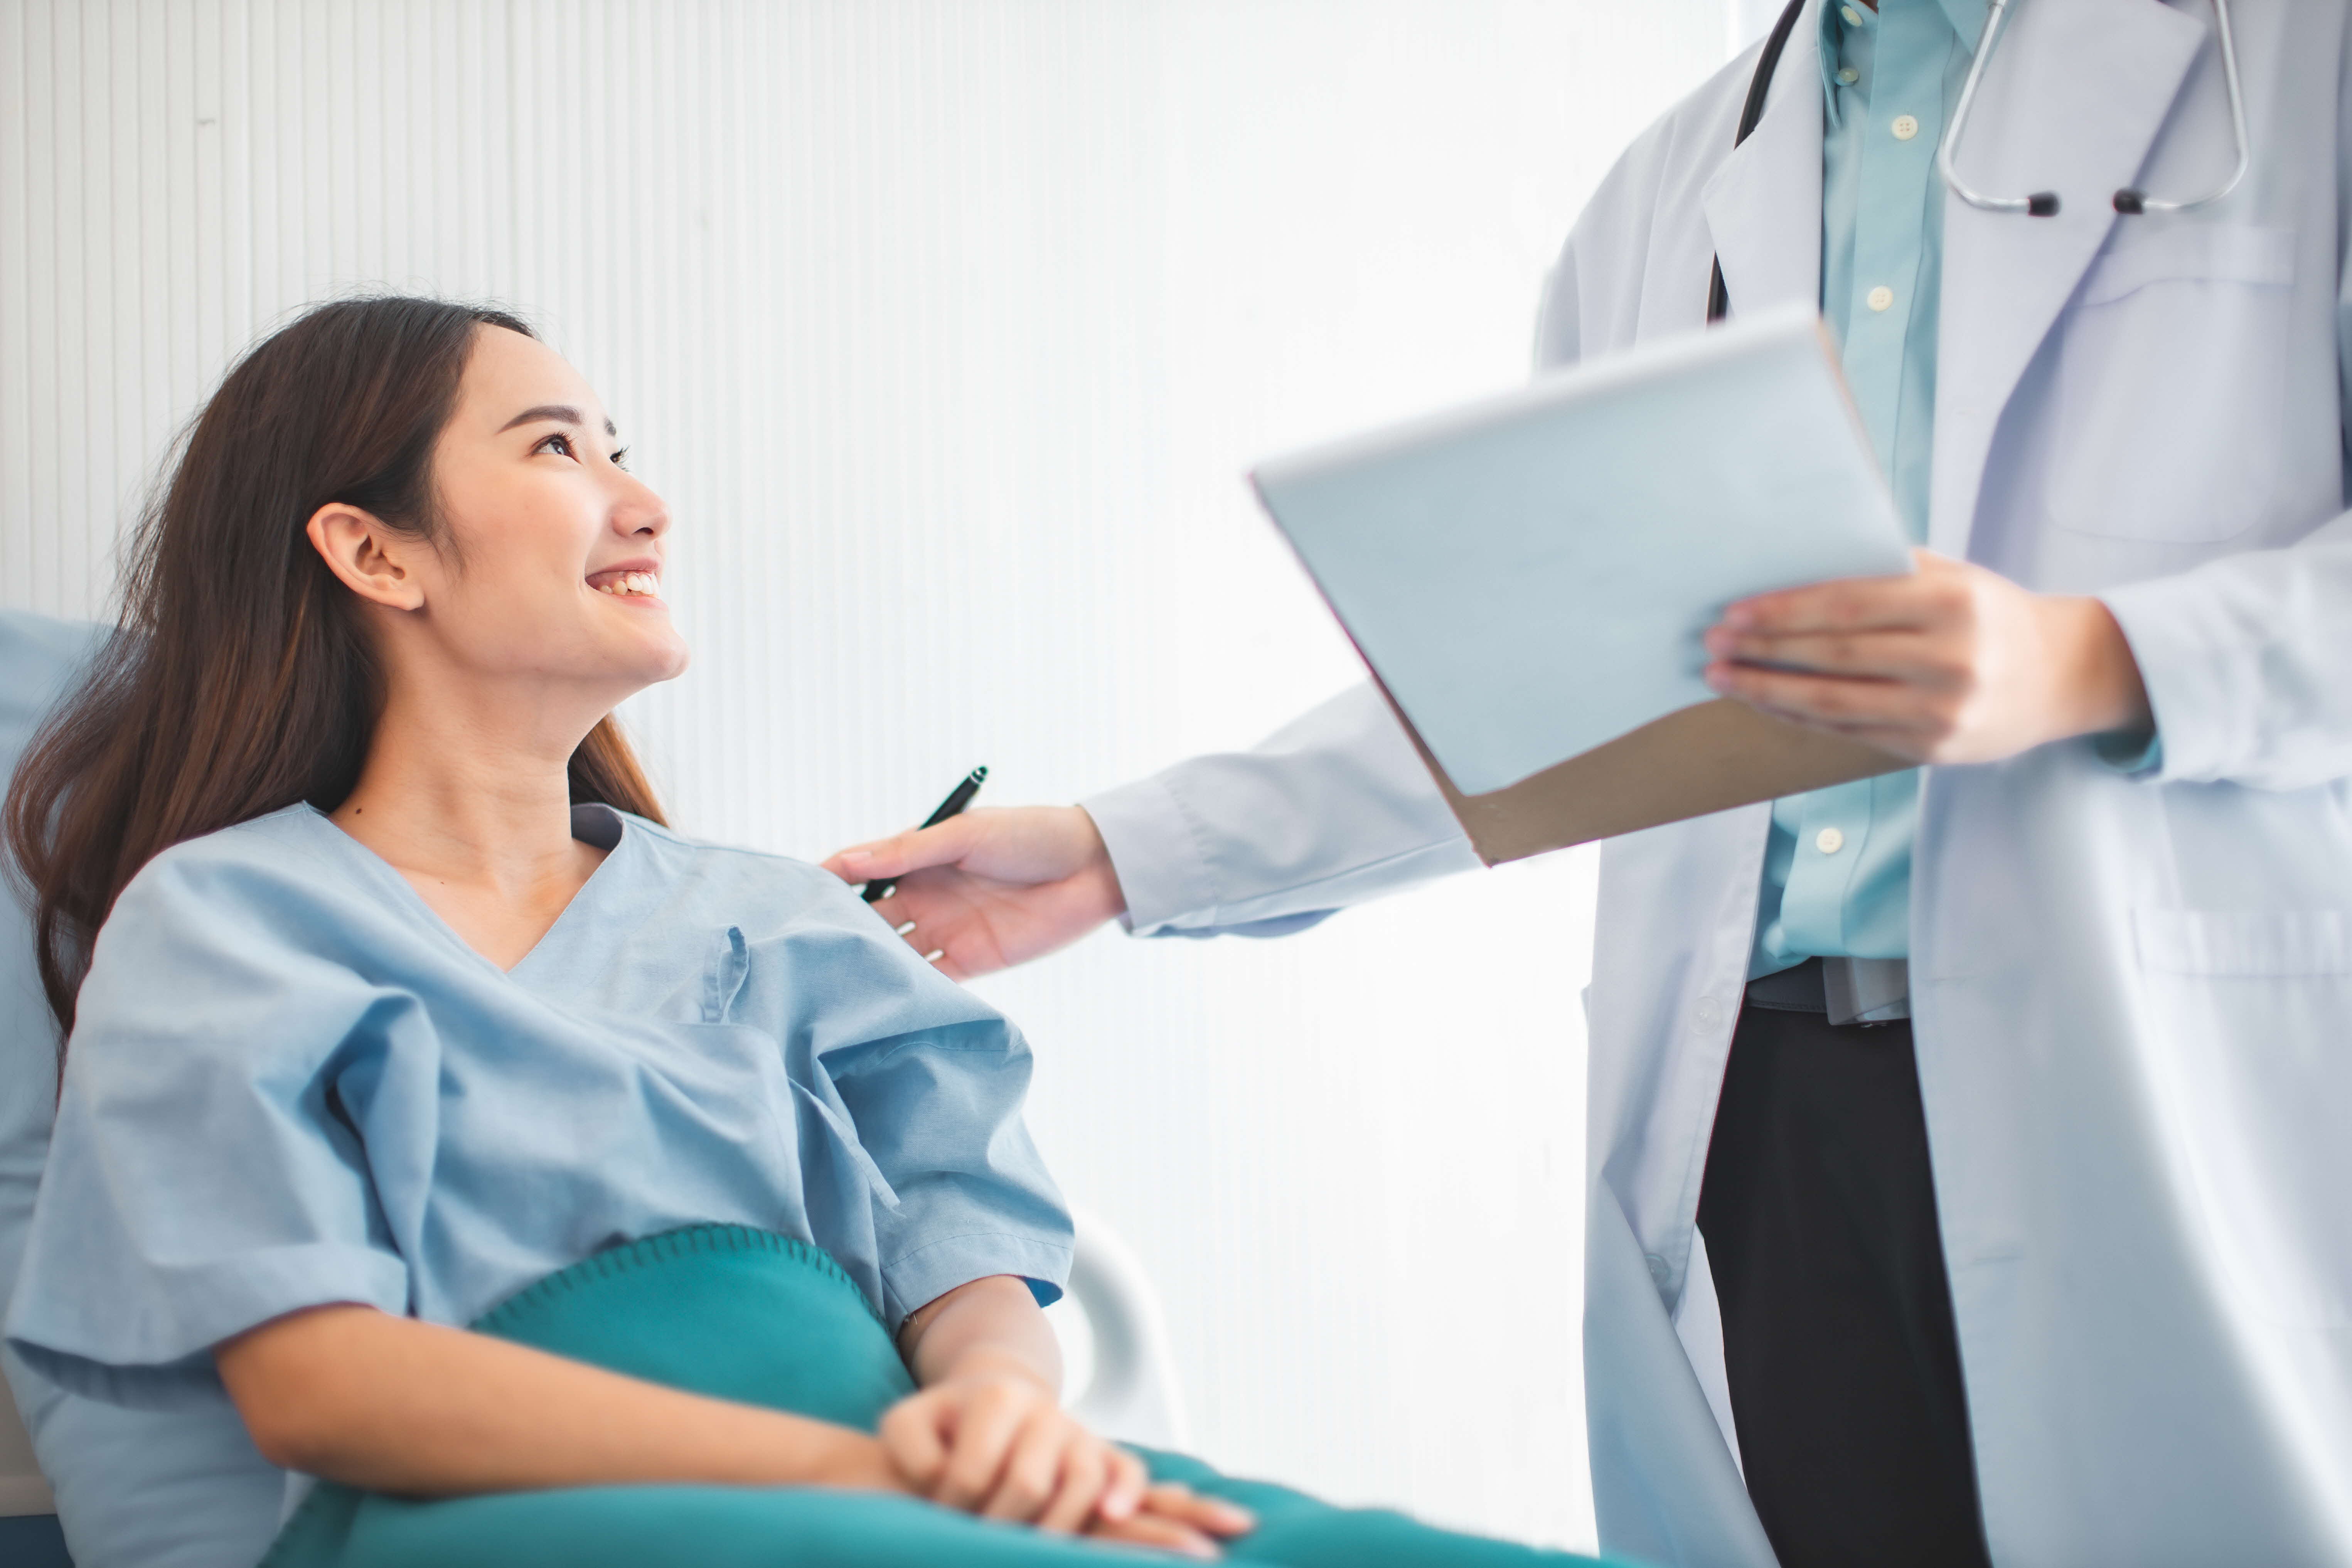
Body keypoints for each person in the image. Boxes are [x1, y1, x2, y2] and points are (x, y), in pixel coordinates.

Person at [825, 4, 2352, 1565]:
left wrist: (2099, 657)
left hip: (2166, 1063)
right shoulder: (1670, 189)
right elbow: (1562, 694)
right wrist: (1119, 853)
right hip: (1768, 1110)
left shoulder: (2294, 65)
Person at [0, 297, 1616, 1568]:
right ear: (374, 549)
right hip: (502, 1518)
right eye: (560, 449)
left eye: (617, 446)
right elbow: (325, 1389)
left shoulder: (773, 921)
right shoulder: (228, 921)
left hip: (903, 1476)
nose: (643, 501)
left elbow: (966, 1249)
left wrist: (992, 1417)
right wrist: (863, 1476)